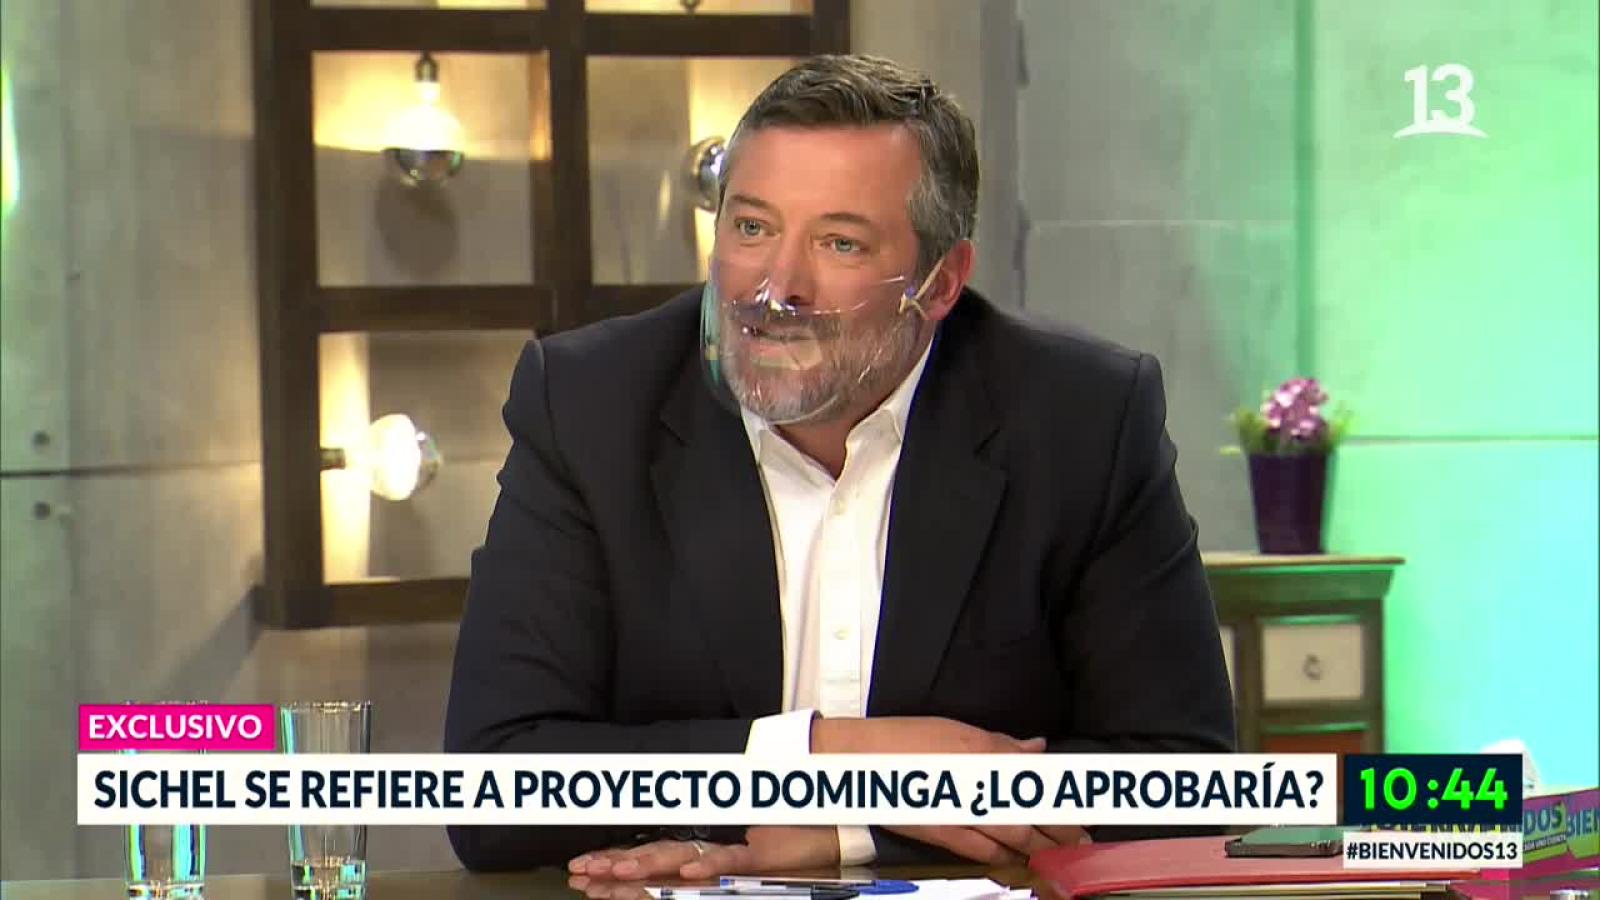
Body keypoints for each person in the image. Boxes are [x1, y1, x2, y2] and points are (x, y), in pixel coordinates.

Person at [444, 53, 1235, 880]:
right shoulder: (591, 404)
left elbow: (1189, 785)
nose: (775, 288)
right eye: (752, 228)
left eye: (840, 242)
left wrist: (846, 834)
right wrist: (835, 757)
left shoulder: (1079, 420)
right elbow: (492, 790)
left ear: (940, 283)